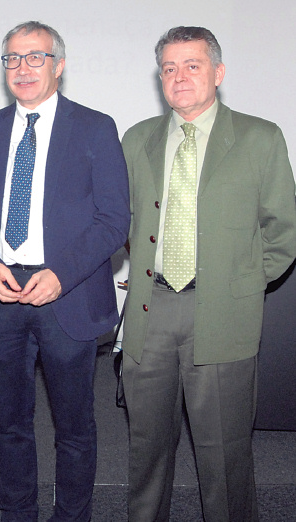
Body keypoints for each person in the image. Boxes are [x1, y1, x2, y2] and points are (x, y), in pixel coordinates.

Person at [121, 26, 296, 521]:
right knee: (147, 450)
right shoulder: (137, 140)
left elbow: (284, 230)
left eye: (192, 65)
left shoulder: (261, 137)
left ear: (218, 73)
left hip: (223, 313)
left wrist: (240, 284)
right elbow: (126, 221)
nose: (179, 77)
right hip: (150, 312)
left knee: (224, 454)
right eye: (170, 68)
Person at [0, 21, 129, 522]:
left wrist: (63, 274)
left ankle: (72, 515)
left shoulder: (96, 127)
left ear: (59, 65)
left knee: (74, 426)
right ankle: (17, 512)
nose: (22, 68)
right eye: (12, 58)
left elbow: (114, 219)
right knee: (9, 423)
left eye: (35, 57)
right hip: (2, 295)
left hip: (67, 297)